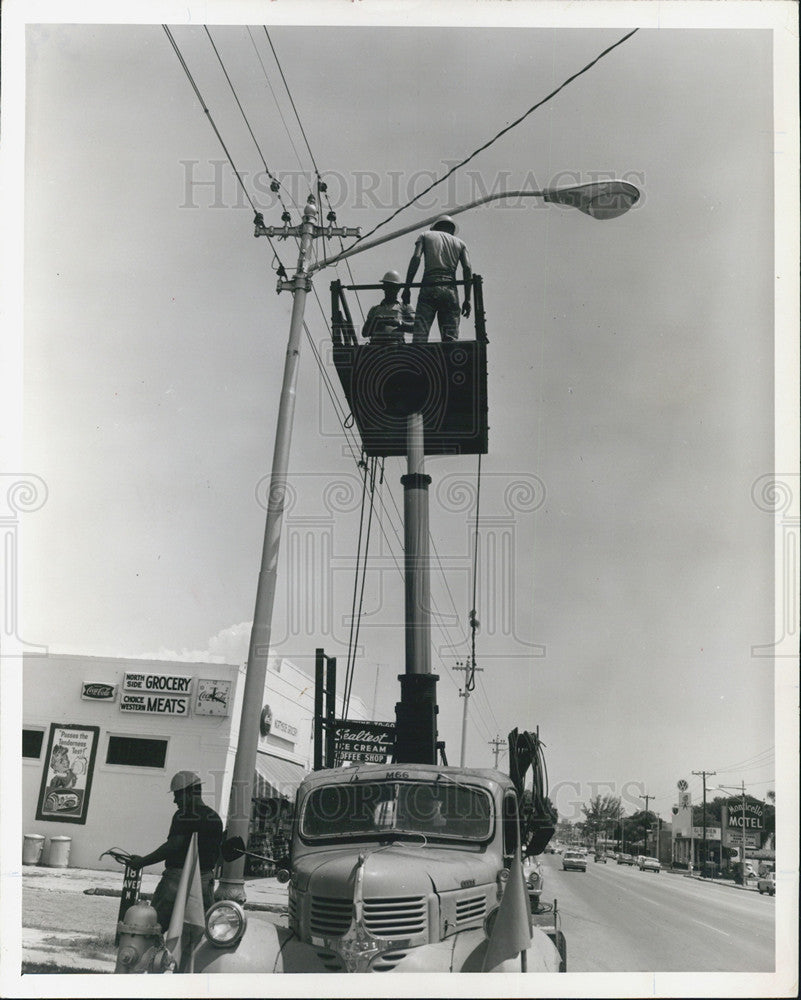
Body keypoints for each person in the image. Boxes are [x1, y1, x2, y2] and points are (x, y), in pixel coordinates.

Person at [128, 770, 223, 934]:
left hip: (178, 878)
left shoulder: (184, 815)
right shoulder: (214, 817)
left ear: (190, 792)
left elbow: (173, 846)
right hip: (204, 879)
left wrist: (142, 862)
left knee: (154, 927)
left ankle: (152, 957)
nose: (175, 800)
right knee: (200, 930)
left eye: (178, 795)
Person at [401, 216, 472, 343]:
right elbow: (467, 268)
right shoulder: (460, 243)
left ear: (436, 227)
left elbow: (416, 258)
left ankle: (417, 360)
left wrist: (407, 288)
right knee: (450, 338)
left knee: (420, 336)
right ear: (451, 229)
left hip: (429, 286)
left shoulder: (425, 235)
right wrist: (467, 299)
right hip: (450, 289)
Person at [361, 270, 415, 345]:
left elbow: (417, 327)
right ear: (383, 287)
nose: (390, 290)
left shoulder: (404, 306)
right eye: (387, 286)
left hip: (396, 347)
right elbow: (364, 333)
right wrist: (375, 322)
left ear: (398, 288)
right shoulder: (375, 309)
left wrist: (399, 323)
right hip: (376, 347)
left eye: (393, 287)